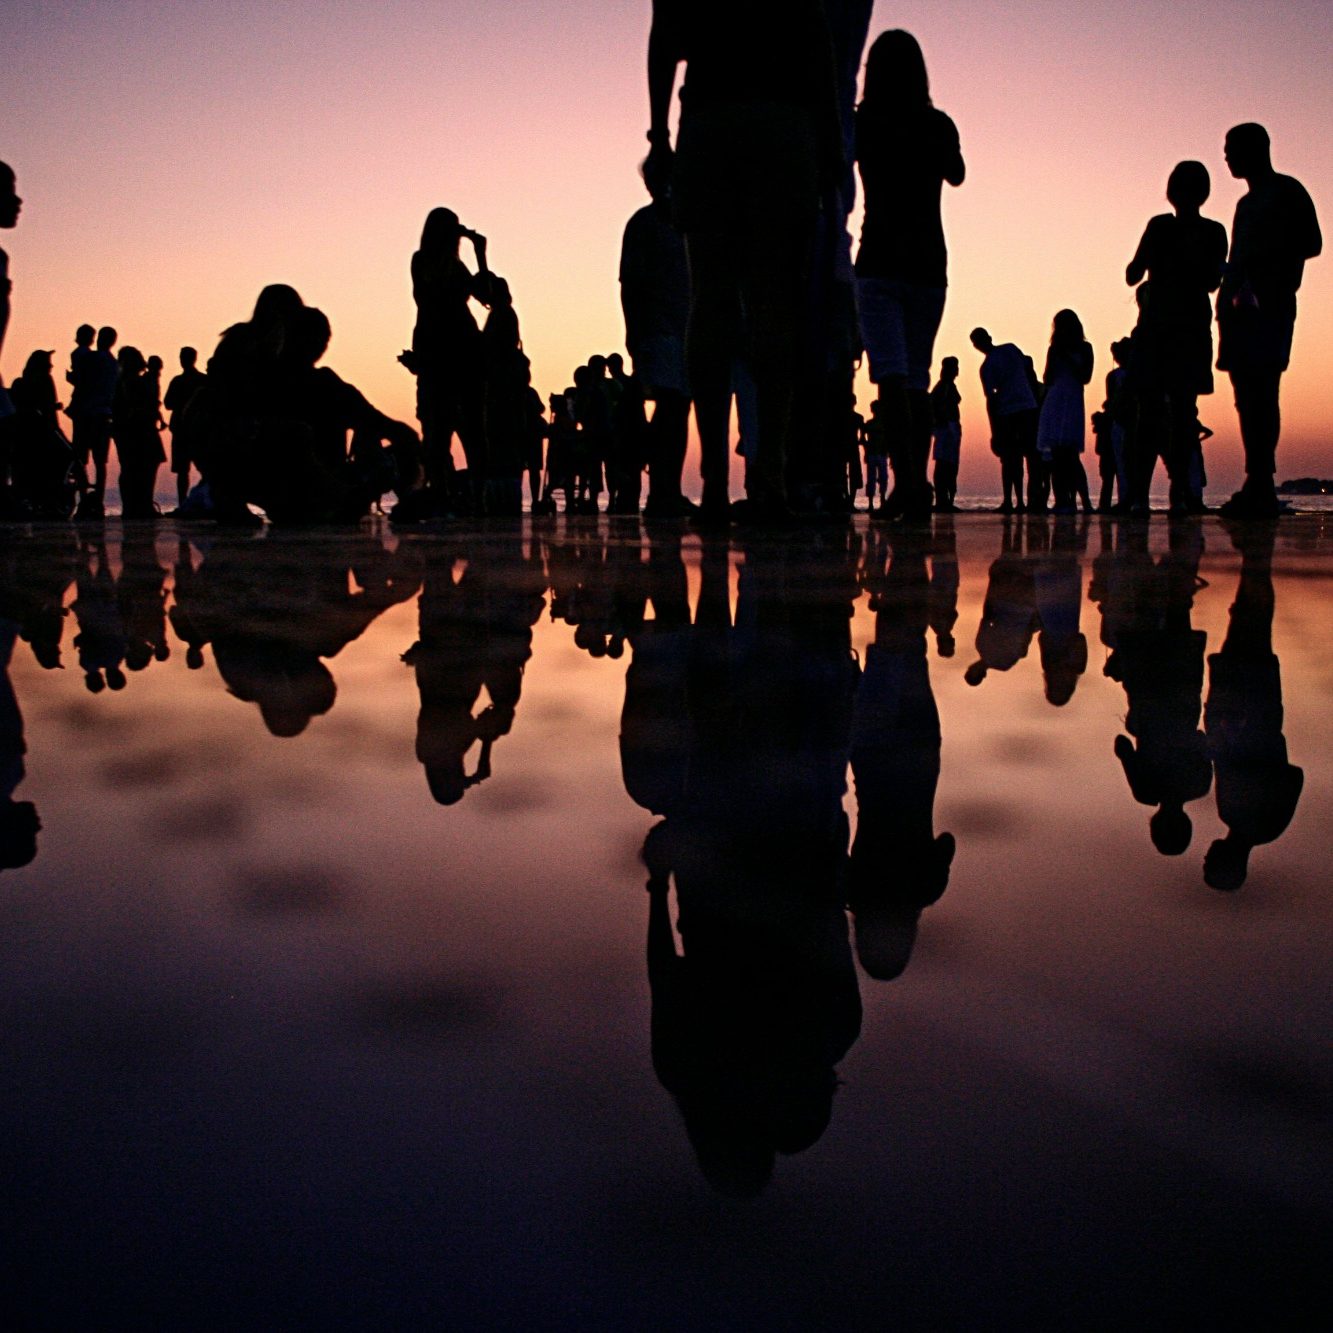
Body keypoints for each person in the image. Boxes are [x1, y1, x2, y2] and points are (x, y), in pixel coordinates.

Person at [646, 0, 843, 521]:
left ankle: (716, 483)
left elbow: (665, 34)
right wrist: (827, 150)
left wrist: (659, 134)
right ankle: (770, 479)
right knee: (773, 305)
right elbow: (819, 50)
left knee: (709, 302)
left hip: (713, 121)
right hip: (783, 126)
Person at [854, 30, 964, 521]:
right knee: (914, 380)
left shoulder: (865, 123)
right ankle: (913, 487)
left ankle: (910, 487)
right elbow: (957, 173)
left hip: (880, 260)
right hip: (927, 264)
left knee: (892, 381)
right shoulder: (936, 124)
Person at [1216, 124, 1322, 518]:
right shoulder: (1245, 206)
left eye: (1231, 149)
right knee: (1246, 398)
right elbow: (1236, 257)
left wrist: (1263, 264)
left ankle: (1261, 480)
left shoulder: (1287, 191)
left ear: (1255, 149)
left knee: (1264, 391)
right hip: (1238, 311)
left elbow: (1312, 242)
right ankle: (1255, 477)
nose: (1226, 156)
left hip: (1272, 306)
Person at [1124, 161, 1228, 513]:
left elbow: (1132, 273)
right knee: (1184, 413)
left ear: (1171, 192)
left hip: (1158, 329)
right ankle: (1180, 492)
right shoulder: (1214, 232)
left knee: (1149, 414)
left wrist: (1155, 264)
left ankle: (1138, 495)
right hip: (1191, 328)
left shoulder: (1160, 226)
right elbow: (1213, 282)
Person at [403, 208, 492, 513]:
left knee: (473, 428)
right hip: (438, 349)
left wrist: (481, 255)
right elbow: (429, 296)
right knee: (436, 427)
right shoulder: (423, 261)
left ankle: (478, 497)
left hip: (464, 348)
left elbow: (488, 297)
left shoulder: (457, 265)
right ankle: (440, 491)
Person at [619, 152, 693, 517]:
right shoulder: (643, 225)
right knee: (670, 406)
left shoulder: (688, 221)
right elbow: (629, 285)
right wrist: (634, 332)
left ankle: (669, 489)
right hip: (657, 330)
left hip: (686, 329)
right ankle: (662, 490)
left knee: (679, 409)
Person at [970, 327, 1038, 513]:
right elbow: (1028, 371)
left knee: (1017, 458)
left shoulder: (997, 359)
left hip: (1015, 411)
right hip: (1019, 409)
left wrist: (995, 430)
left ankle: (1020, 501)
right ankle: (1019, 501)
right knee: (1020, 458)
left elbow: (991, 400)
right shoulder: (1007, 352)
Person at [1036, 310, 1094, 514]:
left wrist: (1068, 360)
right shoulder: (1054, 349)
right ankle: (1062, 500)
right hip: (1056, 398)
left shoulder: (1085, 348)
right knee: (1058, 455)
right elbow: (1047, 377)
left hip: (1072, 398)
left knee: (1070, 454)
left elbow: (1086, 376)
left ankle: (1081, 500)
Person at [111, 347, 165, 519]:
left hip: (131, 429)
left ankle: (135, 506)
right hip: (137, 429)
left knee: (133, 467)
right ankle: (140, 505)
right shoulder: (130, 382)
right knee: (139, 467)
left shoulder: (125, 381)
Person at [163, 346, 206, 509]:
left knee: (186, 470)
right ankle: (188, 502)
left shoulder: (180, 381)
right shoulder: (201, 380)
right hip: (191, 430)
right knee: (190, 470)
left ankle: (186, 503)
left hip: (190, 430)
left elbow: (168, 403)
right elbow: (168, 404)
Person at [929, 355, 961, 511]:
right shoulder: (943, 386)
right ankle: (942, 500)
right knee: (945, 464)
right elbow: (934, 404)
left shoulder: (947, 386)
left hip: (949, 427)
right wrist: (942, 422)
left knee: (949, 464)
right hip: (946, 428)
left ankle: (946, 500)